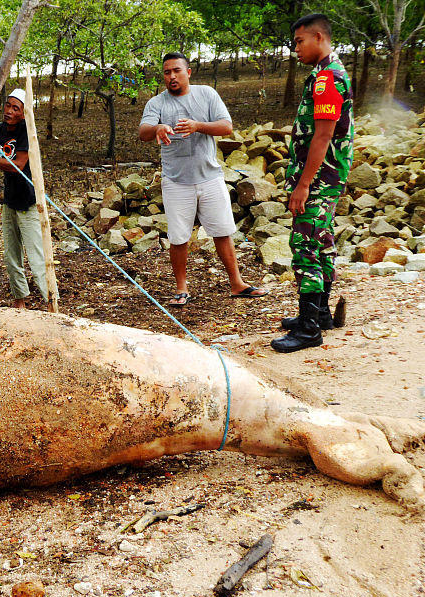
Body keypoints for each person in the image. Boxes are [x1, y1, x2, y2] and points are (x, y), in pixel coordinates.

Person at [138, 52, 267, 307]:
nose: (172, 76)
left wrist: (198, 126)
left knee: (222, 231)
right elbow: (143, 132)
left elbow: (226, 126)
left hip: (209, 177)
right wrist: (158, 128)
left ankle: (237, 283)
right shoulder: (157, 103)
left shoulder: (206, 94)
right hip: (176, 181)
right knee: (178, 237)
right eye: (167, 72)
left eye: (176, 70)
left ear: (188, 72)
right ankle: (181, 288)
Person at [271, 14, 353, 353]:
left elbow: (323, 135)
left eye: (300, 41)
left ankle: (308, 330)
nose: (296, 48)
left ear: (319, 37)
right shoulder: (322, 73)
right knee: (321, 241)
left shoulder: (328, 78)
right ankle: (319, 315)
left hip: (320, 178)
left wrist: (303, 185)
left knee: (304, 244)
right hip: (325, 176)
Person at [0, 88, 53, 310]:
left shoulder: (26, 131)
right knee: (11, 255)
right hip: (10, 201)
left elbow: (18, 166)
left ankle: (50, 301)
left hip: (29, 201)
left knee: (36, 257)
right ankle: (19, 302)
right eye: (8, 105)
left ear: (24, 114)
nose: (9, 111)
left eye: (16, 108)